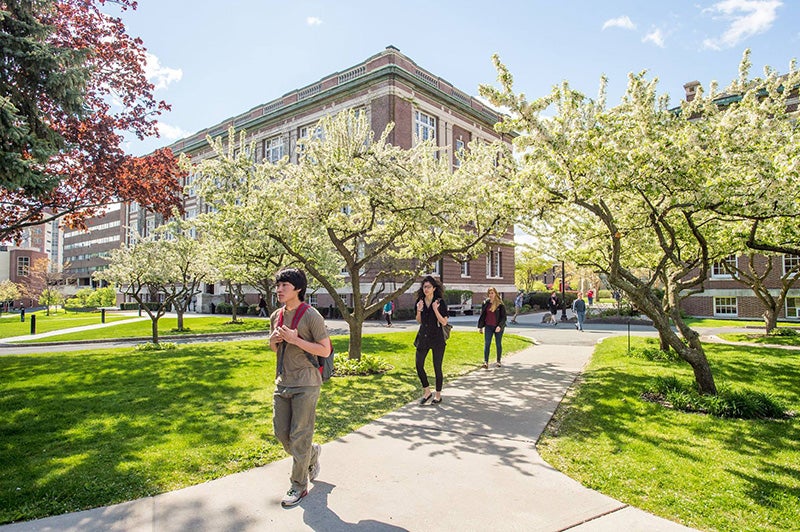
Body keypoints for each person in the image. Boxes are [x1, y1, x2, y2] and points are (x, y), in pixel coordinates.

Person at [268, 268, 332, 508]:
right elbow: (274, 349)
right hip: (283, 382)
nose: (279, 289)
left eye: (284, 285)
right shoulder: (276, 315)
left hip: (306, 383)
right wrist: (274, 341)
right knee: (281, 434)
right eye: (277, 285)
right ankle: (311, 454)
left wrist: (296, 339)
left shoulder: (311, 315)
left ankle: (298, 485)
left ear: (298, 289)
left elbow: (325, 350)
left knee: (299, 435)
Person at [414, 275, 448, 405]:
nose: (426, 289)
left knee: (437, 367)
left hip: (437, 338)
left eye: (428, 287)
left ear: (434, 288)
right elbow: (419, 321)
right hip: (423, 337)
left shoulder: (439, 302)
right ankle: (427, 391)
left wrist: (435, 309)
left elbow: (444, 322)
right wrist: (419, 310)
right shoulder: (420, 301)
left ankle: (438, 395)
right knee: (418, 365)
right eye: (424, 287)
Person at [478, 287, 507, 368]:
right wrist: (480, 327)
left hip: (498, 327)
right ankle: (486, 362)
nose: (490, 295)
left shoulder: (500, 304)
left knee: (498, 344)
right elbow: (483, 316)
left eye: (492, 293)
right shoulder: (485, 303)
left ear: (495, 294)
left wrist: (499, 326)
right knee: (487, 343)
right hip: (488, 326)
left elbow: (504, 317)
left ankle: (498, 361)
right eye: (489, 293)